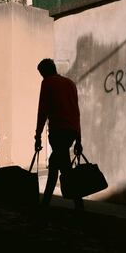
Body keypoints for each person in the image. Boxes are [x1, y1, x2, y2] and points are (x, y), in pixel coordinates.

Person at [33, 58, 83, 210]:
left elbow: (43, 110)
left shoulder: (47, 83)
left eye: (41, 73)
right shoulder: (70, 84)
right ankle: (46, 203)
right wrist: (79, 139)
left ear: (44, 72)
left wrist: (38, 135)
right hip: (71, 132)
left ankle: (77, 204)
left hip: (58, 131)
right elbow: (76, 112)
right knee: (55, 165)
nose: (42, 77)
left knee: (64, 169)